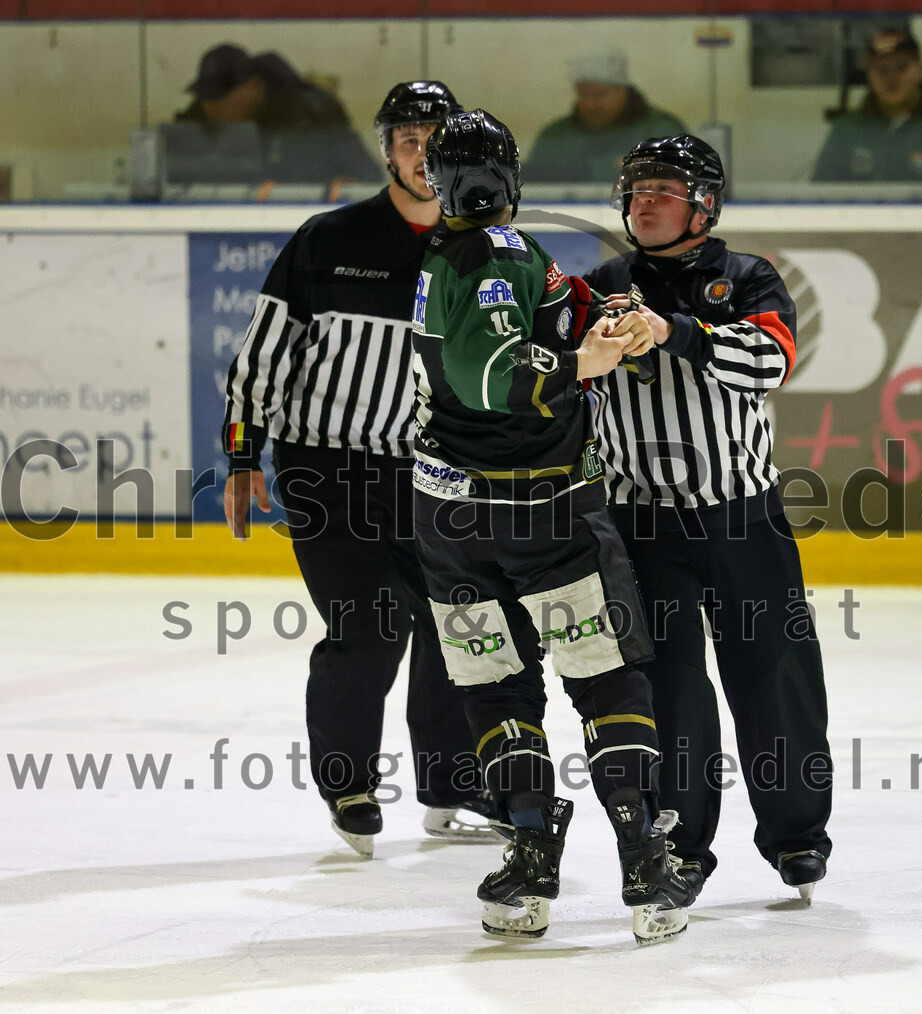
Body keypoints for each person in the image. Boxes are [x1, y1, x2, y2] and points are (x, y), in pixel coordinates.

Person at [411, 108, 696, 945]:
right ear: (510, 176)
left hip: (448, 519)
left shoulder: (443, 253)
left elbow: (539, 303)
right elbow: (497, 372)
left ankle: (532, 846)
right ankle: (645, 858)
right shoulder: (500, 250)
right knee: (605, 676)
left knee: (493, 679)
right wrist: (586, 361)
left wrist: (596, 305)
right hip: (542, 514)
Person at [221, 81, 492, 858]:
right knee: (369, 629)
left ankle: (454, 789)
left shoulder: (476, 246)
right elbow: (259, 361)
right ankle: (349, 784)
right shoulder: (328, 239)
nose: (419, 151)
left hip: (433, 475)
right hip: (327, 471)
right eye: (405, 137)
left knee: (457, 627)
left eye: (433, 137)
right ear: (386, 150)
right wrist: (243, 454)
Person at [584, 134, 833, 903]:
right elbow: (566, 390)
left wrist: (673, 331)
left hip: (742, 517)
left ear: (705, 204)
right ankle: (679, 846)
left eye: (663, 188)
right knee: (668, 691)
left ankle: (796, 835)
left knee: (775, 677)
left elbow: (773, 363)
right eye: (636, 189)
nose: (644, 202)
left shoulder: (746, 277)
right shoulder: (601, 285)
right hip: (641, 526)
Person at [175, 43, 379, 182]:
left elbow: (366, 176)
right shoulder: (204, 114)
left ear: (253, 86)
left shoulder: (309, 113)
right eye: (205, 97)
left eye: (220, 96)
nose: (210, 106)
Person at [812, 29, 922, 182]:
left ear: (920, 71)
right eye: (882, 70)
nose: (892, 78)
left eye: (901, 67)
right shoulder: (846, 130)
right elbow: (823, 197)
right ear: (869, 77)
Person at [525, 47, 685, 184]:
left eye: (599, 95)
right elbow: (533, 181)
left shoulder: (662, 132)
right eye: (583, 95)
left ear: (623, 91)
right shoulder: (555, 137)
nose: (590, 104)